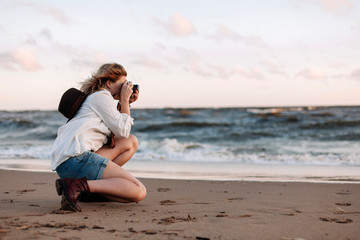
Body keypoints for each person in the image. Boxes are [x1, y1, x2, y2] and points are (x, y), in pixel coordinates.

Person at [51, 63, 146, 212]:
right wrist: (125, 100)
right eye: (122, 85)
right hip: (76, 160)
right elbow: (122, 130)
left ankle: (88, 190)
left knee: (130, 142)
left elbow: (117, 136)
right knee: (138, 190)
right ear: (108, 83)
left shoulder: (96, 97)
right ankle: (77, 186)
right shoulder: (102, 96)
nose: (124, 89)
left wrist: (123, 102)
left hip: (69, 162)